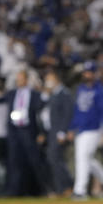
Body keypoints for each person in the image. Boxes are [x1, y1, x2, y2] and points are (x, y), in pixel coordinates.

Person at [68, 62, 103, 200]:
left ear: (94, 74)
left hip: (93, 129)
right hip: (80, 128)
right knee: (86, 159)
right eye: (85, 72)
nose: (86, 75)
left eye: (89, 72)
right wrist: (72, 128)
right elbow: (77, 111)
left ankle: (80, 191)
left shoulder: (100, 90)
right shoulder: (80, 89)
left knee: (82, 158)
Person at [4, 69, 50, 196]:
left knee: (34, 161)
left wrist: (42, 132)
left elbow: (42, 107)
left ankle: (41, 190)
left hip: (29, 130)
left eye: (21, 78)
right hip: (15, 131)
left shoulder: (34, 94)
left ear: (26, 79)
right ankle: (15, 191)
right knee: (15, 162)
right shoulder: (12, 93)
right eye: (17, 78)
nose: (18, 81)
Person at [42, 67, 75, 196]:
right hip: (51, 131)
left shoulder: (64, 94)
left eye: (49, 78)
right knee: (53, 159)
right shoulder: (52, 94)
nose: (47, 81)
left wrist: (63, 131)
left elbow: (68, 113)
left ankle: (67, 186)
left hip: (58, 131)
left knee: (56, 158)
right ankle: (61, 188)